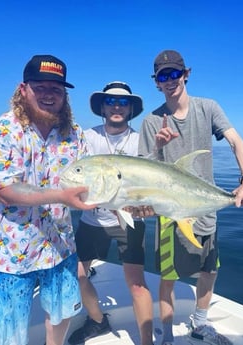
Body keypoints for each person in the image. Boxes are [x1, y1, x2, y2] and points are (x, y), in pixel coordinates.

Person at [138, 50, 243, 345]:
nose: (170, 81)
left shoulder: (208, 108)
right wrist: (157, 147)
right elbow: (143, 168)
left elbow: (235, 139)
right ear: (156, 82)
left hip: (206, 205)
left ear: (185, 74)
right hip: (170, 212)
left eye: (174, 73)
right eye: (163, 76)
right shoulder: (151, 122)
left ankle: (200, 325)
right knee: (169, 276)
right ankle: (166, 337)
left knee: (210, 270)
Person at [0, 54, 97, 345]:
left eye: (56, 90)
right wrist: (61, 195)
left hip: (61, 246)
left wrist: (131, 201)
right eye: (40, 87)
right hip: (14, 252)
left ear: (65, 95)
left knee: (61, 314)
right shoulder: (1, 131)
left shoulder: (75, 134)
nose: (49, 95)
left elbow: (93, 183)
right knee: (7, 330)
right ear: (23, 89)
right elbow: (6, 190)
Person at [68, 82, 154, 345]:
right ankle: (97, 320)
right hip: (92, 220)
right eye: (111, 102)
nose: (117, 106)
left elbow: (151, 185)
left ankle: (147, 341)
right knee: (78, 275)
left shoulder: (141, 140)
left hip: (130, 220)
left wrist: (148, 205)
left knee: (136, 283)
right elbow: (71, 174)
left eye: (123, 103)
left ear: (130, 110)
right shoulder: (86, 137)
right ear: (102, 107)